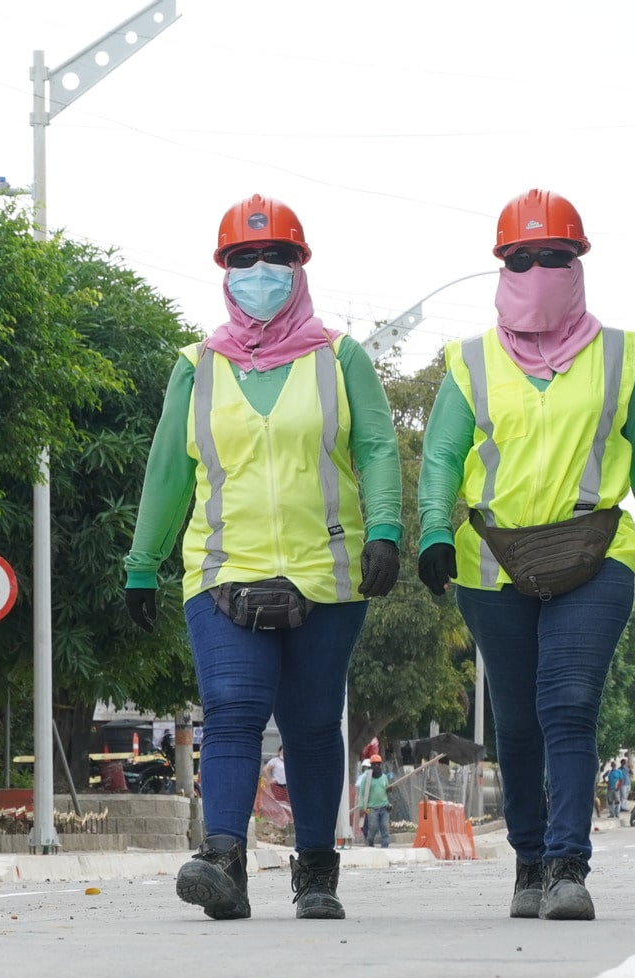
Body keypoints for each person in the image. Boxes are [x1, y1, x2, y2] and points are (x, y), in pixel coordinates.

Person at [417, 189, 635, 921]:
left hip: (592, 550)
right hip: (493, 559)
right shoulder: (469, 361)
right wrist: (432, 532)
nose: (540, 268)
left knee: (567, 705)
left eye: (557, 256)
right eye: (523, 257)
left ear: (579, 266)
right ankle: (530, 861)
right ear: (502, 268)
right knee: (517, 721)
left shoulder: (618, 358)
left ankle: (570, 868)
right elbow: (444, 455)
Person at [123, 195, 400, 921]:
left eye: (275, 257)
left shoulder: (340, 358)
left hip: (328, 572)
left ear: (300, 267)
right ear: (223, 271)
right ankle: (222, 860)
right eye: (242, 259)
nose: (259, 272)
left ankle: (316, 873)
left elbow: (374, 446)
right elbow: (167, 472)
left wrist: (387, 530)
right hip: (223, 569)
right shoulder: (197, 366)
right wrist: (142, 562)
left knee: (311, 725)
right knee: (233, 710)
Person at [361, 762, 392, 848]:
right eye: (374, 764)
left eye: (378, 764)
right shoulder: (366, 779)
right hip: (371, 808)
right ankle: (370, 841)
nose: (376, 766)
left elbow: (387, 790)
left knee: (385, 828)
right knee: (373, 827)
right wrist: (362, 807)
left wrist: (389, 790)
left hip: (384, 807)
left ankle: (385, 847)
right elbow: (362, 793)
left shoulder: (384, 777)